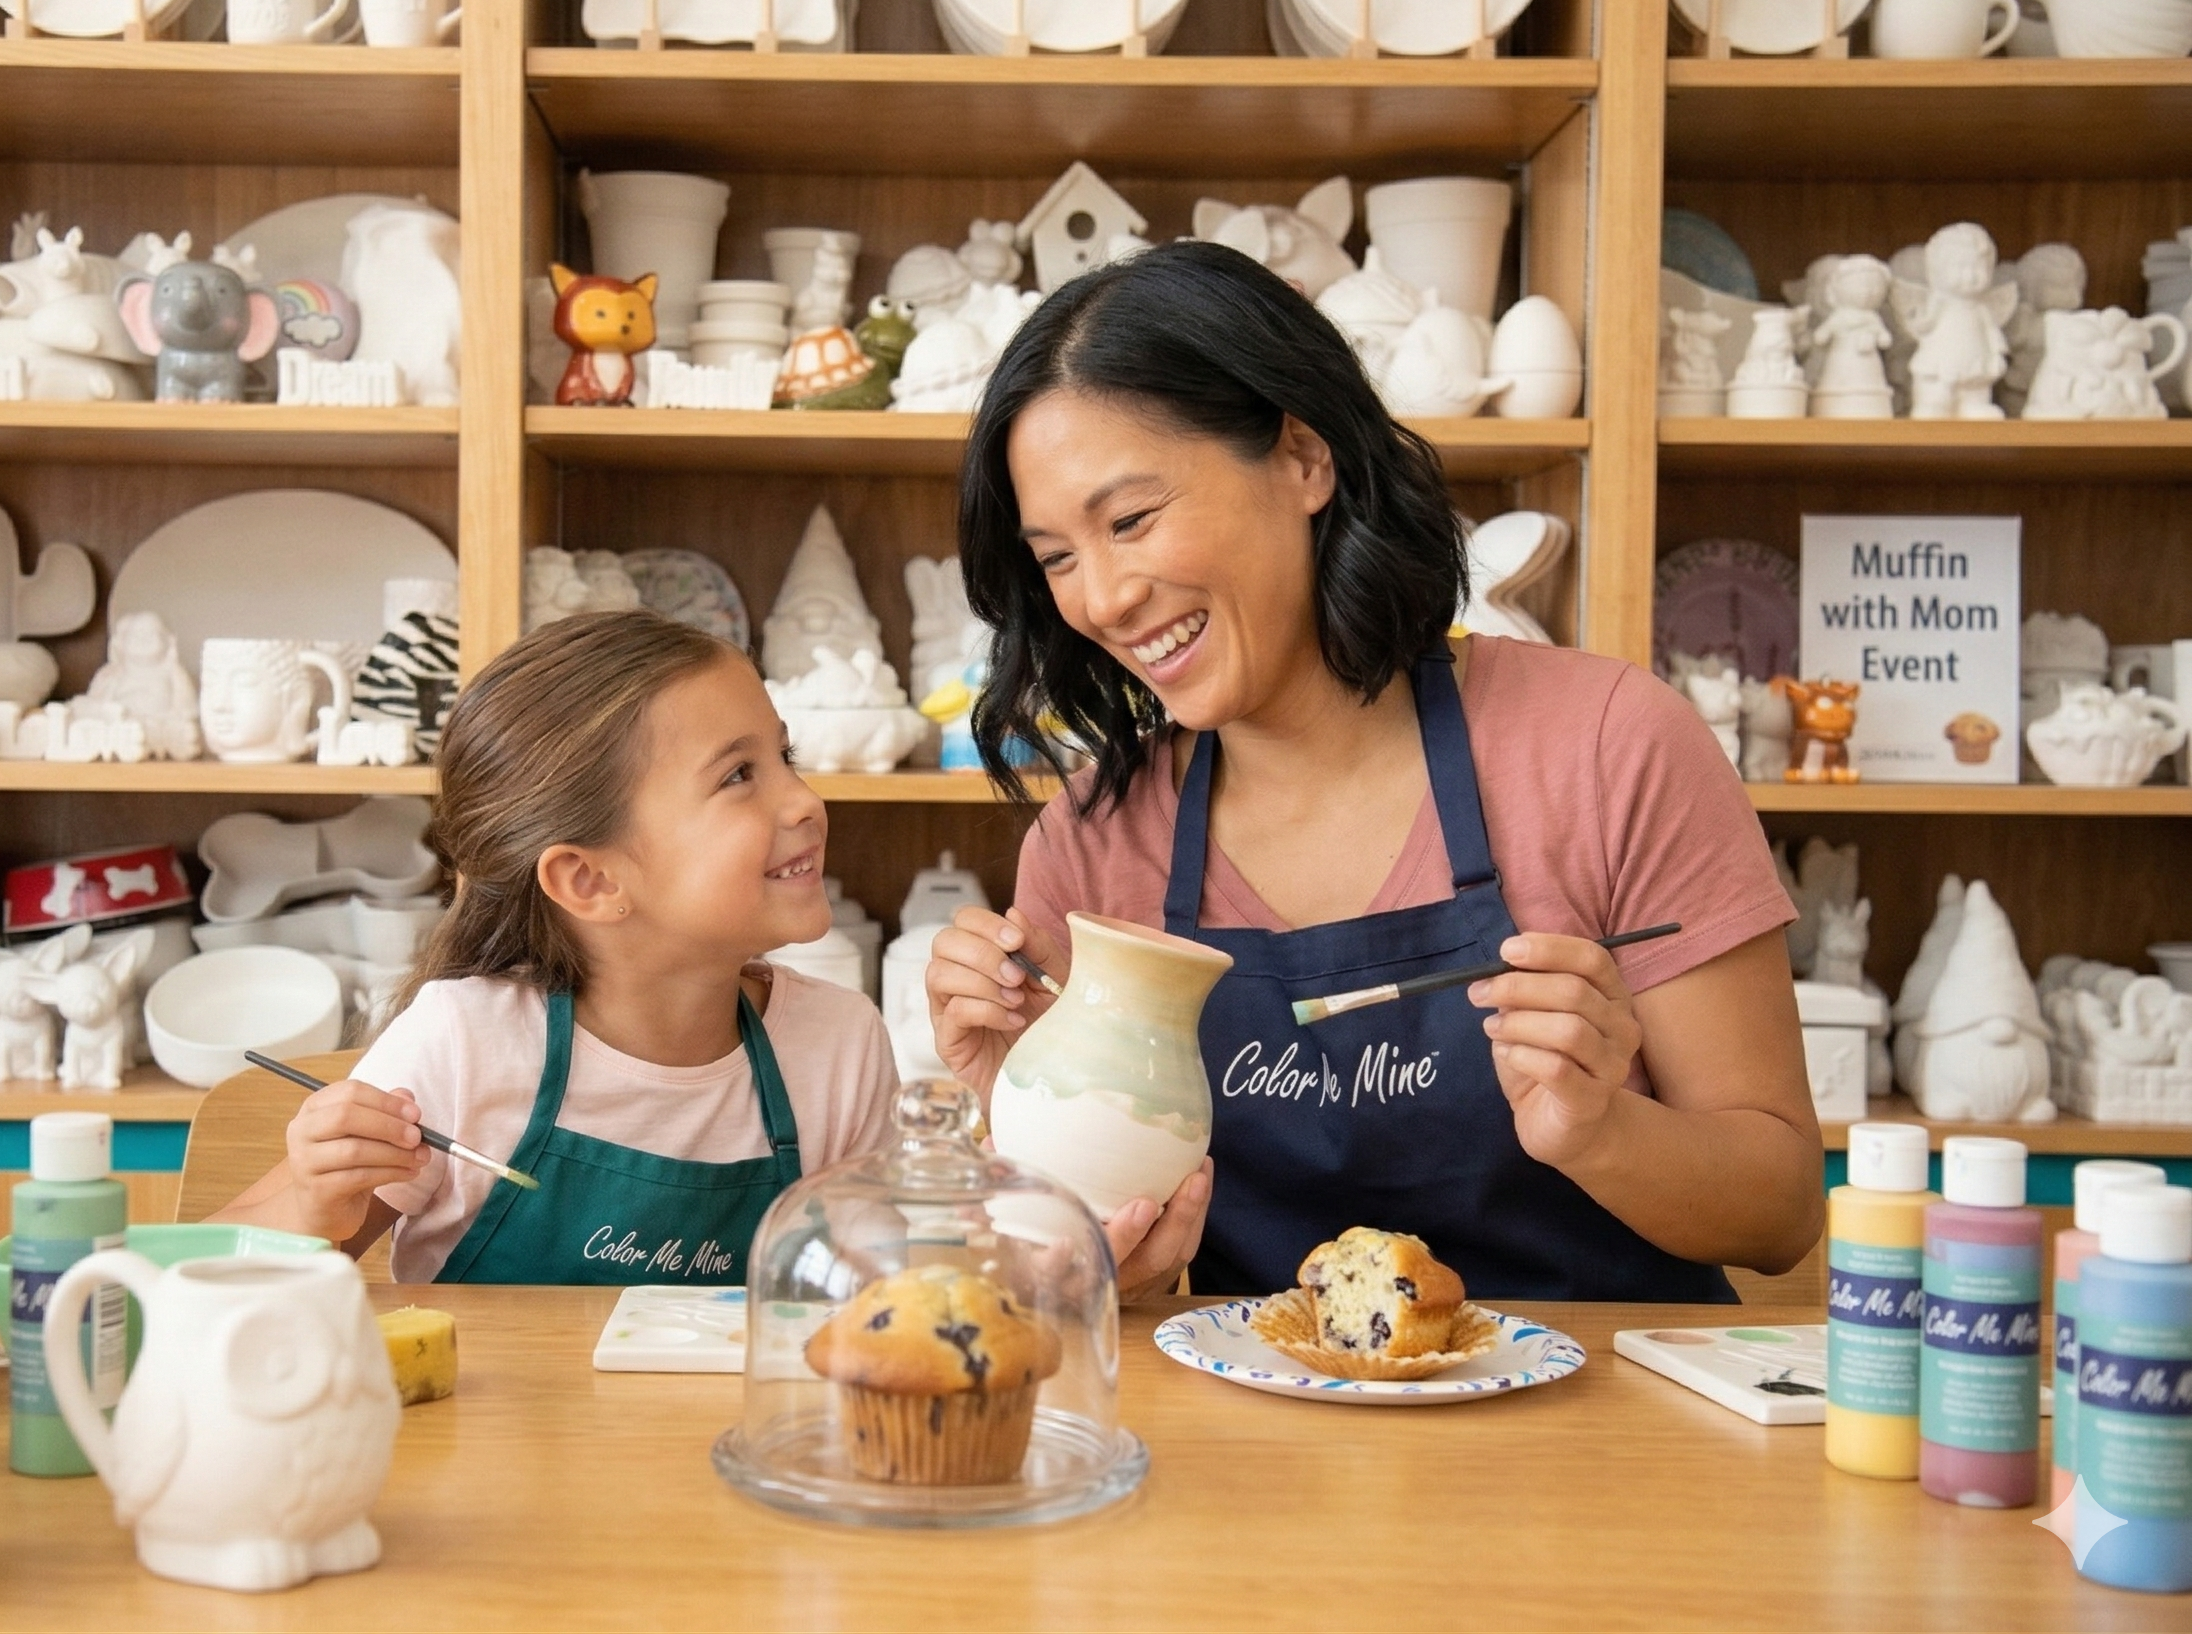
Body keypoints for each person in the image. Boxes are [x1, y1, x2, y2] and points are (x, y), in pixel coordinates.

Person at [928, 241, 1822, 1303]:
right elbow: (1077, 1289)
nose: (1103, 598)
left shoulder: (1606, 746)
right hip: (1245, 1445)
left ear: (1304, 458)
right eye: (1057, 557)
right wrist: (1020, 1131)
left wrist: (1600, 1129)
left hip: (1595, 1448)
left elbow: (1777, 1212)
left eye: (1129, 521)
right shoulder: (1090, 845)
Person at [217, 612, 900, 1284]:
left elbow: (885, 1309)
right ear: (591, 879)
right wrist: (312, 1201)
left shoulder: (839, 1046)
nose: (804, 800)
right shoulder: (464, 1044)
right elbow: (197, 1275)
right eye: (737, 777)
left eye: (784, 758)